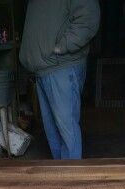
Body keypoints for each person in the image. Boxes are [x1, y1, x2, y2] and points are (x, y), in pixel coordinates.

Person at [20, 0, 100, 160]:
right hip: (44, 68)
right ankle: (62, 177)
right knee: (53, 131)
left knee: (67, 131)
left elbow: (88, 17)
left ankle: (72, 181)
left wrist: (61, 46)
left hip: (61, 66)